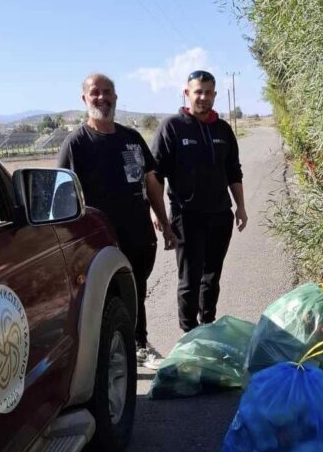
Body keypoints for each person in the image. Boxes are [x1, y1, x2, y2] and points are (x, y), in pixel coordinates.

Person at [58, 73, 175, 368]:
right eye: (95, 92)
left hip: (138, 234)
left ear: (116, 97)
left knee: (136, 290)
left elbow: (151, 184)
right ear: (84, 99)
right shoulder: (76, 144)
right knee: (102, 298)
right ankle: (103, 355)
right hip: (97, 240)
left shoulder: (131, 139)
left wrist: (165, 224)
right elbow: (61, 195)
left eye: (107, 92)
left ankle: (138, 344)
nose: (102, 98)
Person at [150, 70, 247, 333]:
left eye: (208, 92)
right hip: (186, 216)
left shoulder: (223, 129)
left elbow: (233, 171)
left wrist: (241, 207)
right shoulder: (172, 127)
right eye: (198, 92)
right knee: (189, 279)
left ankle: (208, 326)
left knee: (212, 277)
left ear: (215, 94)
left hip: (220, 215)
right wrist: (156, 213)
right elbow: (154, 175)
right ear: (187, 93)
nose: (203, 97)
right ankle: (189, 334)